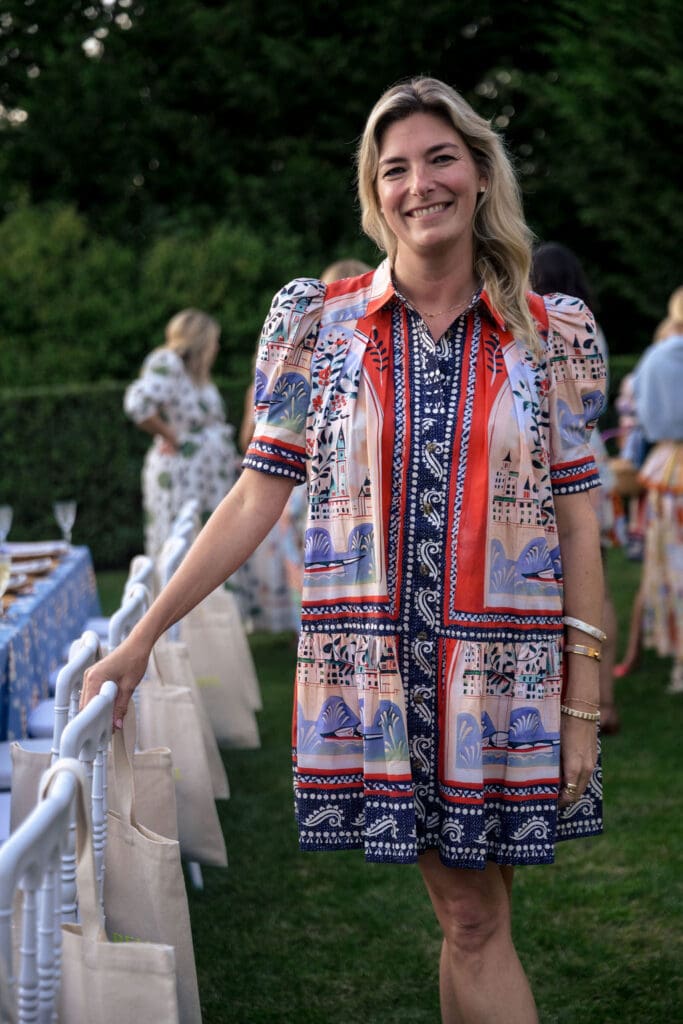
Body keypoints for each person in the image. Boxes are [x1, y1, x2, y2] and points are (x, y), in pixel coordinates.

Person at [84, 78, 607, 1023]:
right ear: (375, 192)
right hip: (375, 673)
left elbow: (577, 523)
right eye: (394, 167)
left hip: (508, 677)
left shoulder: (552, 333)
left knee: (478, 922)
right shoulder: (315, 327)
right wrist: (142, 638)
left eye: (440, 158)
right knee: (473, 919)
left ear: (481, 173)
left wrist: (583, 693)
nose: (420, 184)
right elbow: (253, 497)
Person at [531, 242, 620, 732]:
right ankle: (602, 698)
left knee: (575, 575)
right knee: (596, 576)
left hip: (566, 460)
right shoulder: (593, 329)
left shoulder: (549, 329)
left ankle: (584, 697)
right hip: (590, 457)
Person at [124, 308, 239, 559]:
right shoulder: (168, 362)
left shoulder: (196, 375)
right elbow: (138, 405)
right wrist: (170, 436)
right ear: (200, 339)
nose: (217, 347)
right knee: (182, 548)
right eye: (213, 340)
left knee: (207, 547)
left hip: (206, 476)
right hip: (184, 475)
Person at [632, 286, 683, 694]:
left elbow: (646, 419)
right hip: (672, 468)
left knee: (671, 567)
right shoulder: (669, 355)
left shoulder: (657, 355)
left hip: (667, 466)